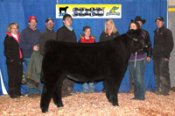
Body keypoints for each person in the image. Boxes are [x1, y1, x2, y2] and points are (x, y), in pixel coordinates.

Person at [128, 19, 152, 100]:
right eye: (131, 26)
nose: (132, 27)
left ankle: (141, 96)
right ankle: (136, 95)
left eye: (133, 26)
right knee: (134, 78)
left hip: (139, 58)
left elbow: (144, 45)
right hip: (130, 58)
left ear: (137, 27)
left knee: (139, 77)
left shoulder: (141, 35)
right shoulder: (128, 35)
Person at [56, 14, 77, 94]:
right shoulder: (61, 30)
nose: (70, 21)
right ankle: (62, 91)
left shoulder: (72, 30)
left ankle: (68, 89)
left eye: (71, 19)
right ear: (63, 21)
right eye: (68, 19)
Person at [20, 16, 41, 95]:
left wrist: (39, 46)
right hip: (28, 55)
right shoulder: (24, 32)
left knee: (38, 72)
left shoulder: (38, 32)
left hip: (38, 55)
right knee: (30, 73)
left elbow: (41, 42)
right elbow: (21, 44)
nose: (33, 23)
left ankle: (38, 90)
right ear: (29, 23)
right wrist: (32, 47)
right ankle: (32, 92)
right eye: (32, 22)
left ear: (36, 23)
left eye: (35, 22)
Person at [153, 16, 174, 95]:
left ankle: (165, 90)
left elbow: (170, 45)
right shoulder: (156, 32)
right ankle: (158, 88)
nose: (158, 22)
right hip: (156, 56)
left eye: (159, 21)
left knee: (163, 73)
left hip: (163, 56)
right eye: (157, 21)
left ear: (163, 22)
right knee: (156, 73)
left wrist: (166, 55)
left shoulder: (167, 32)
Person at [4, 23, 23, 98]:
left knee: (19, 77)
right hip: (12, 62)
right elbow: (6, 51)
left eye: (16, 28)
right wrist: (11, 59)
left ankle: (18, 92)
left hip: (20, 60)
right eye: (13, 28)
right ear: (10, 29)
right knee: (12, 77)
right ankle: (12, 93)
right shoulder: (8, 38)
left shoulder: (19, 37)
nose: (15, 29)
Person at [79, 26, 95, 92]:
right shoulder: (81, 40)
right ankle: (85, 89)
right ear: (84, 32)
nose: (88, 32)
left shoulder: (93, 40)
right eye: (87, 31)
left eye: (89, 31)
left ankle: (91, 89)